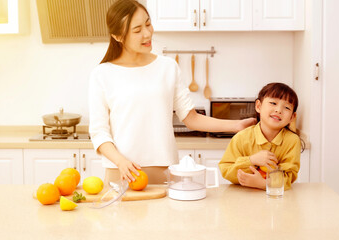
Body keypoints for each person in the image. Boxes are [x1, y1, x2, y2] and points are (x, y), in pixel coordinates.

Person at [89, 0, 256, 184]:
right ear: (118, 36)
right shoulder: (102, 74)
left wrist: (236, 126)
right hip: (120, 174)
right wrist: (121, 161)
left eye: (148, 23)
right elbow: (99, 132)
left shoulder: (167, 67)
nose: (147, 33)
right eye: (137, 30)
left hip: (162, 172)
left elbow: (191, 118)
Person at [219, 82, 301, 190]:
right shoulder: (242, 137)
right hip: (243, 197)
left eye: (286, 107)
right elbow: (227, 171)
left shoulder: (292, 141)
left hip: (276, 200)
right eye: (273, 103)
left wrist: (263, 183)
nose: (278, 110)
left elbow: (289, 178)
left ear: (292, 117)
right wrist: (252, 160)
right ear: (258, 106)